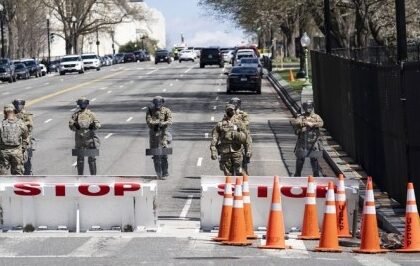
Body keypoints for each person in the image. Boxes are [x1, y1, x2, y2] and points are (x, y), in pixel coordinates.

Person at [210, 104, 249, 176]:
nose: (230, 111)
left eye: (232, 110)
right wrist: (213, 152)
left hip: (237, 151)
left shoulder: (239, 123)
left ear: (234, 111)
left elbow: (246, 138)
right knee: (227, 173)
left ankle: (247, 184)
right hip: (225, 152)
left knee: (240, 171)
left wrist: (248, 150)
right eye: (229, 110)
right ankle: (230, 186)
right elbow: (214, 139)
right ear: (226, 111)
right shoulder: (220, 124)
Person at [290, 100, 324, 177]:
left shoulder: (316, 117)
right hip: (303, 141)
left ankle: (316, 175)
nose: (308, 108)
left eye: (310, 107)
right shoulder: (301, 117)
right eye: (306, 107)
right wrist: (305, 123)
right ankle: (297, 174)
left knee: (314, 159)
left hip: (313, 141)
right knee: (300, 158)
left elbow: (321, 123)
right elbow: (296, 123)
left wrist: (313, 124)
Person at [69, 97, 101, 175]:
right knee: (80, 159)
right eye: (81, 103)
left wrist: (93, 126)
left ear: (87, 104)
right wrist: (74, 126)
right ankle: (80, 177)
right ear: (78, 104)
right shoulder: (75, 115)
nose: (82, 105)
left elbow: (98, 124)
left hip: (90, 139)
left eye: (84, 103)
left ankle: (93, 177)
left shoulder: (91, 114)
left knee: (92, 159)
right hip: (79, 139)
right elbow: (70, 125)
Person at [146, 96, 173, 179]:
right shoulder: (150, 110)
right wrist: (156, 123)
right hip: (153, 134)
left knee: (164, 155)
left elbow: (170, 120)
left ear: (162, 103)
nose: (158, 104)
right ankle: (158, 173)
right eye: (156, 103)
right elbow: (148, 120)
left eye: (159, 102)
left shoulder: (166, 110)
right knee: (155, 155)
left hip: (164, 133)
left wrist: (163, 123)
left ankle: (165, 172)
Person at [0, 104, 28, 175]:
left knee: (2, 176)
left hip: (3, 152)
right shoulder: (21, 124)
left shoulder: (1, 124)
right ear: (14, 112)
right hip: (17, 152)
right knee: (17, 175)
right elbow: (25, 137)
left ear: (5, 112)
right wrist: (22, 149)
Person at [229, 97, 252, 174]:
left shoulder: (243, 114)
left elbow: (247, 122)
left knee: (247, 138)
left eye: (236, 103)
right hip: (232, 132)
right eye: (233, 103)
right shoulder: (228, 113)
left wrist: (239, 125)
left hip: (242, 131)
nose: (235, 105)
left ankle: (248, 153)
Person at [12, 99, 33, 175]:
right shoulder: (11, 114)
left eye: (20, 105)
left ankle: (28, 173)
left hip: (25, 139)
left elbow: (30, 124)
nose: (19, 106)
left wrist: (20, 124)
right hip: (14, 140)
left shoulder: (26, 114)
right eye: (17, 105)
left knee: (27, 159)